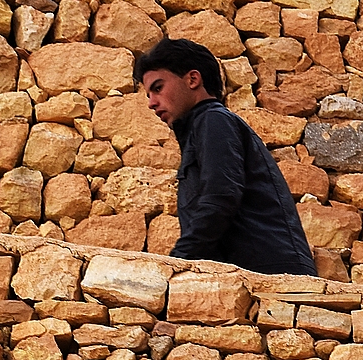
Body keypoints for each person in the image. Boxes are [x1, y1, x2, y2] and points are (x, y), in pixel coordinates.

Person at [135, 39, 317, 276]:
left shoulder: (213, 120)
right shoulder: (204, 126)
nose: (151, 103)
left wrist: (177, 264)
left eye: (158, 88)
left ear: (192, 79)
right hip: (249, 276)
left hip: (269, 276)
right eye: (149, 94)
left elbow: (220, 197)